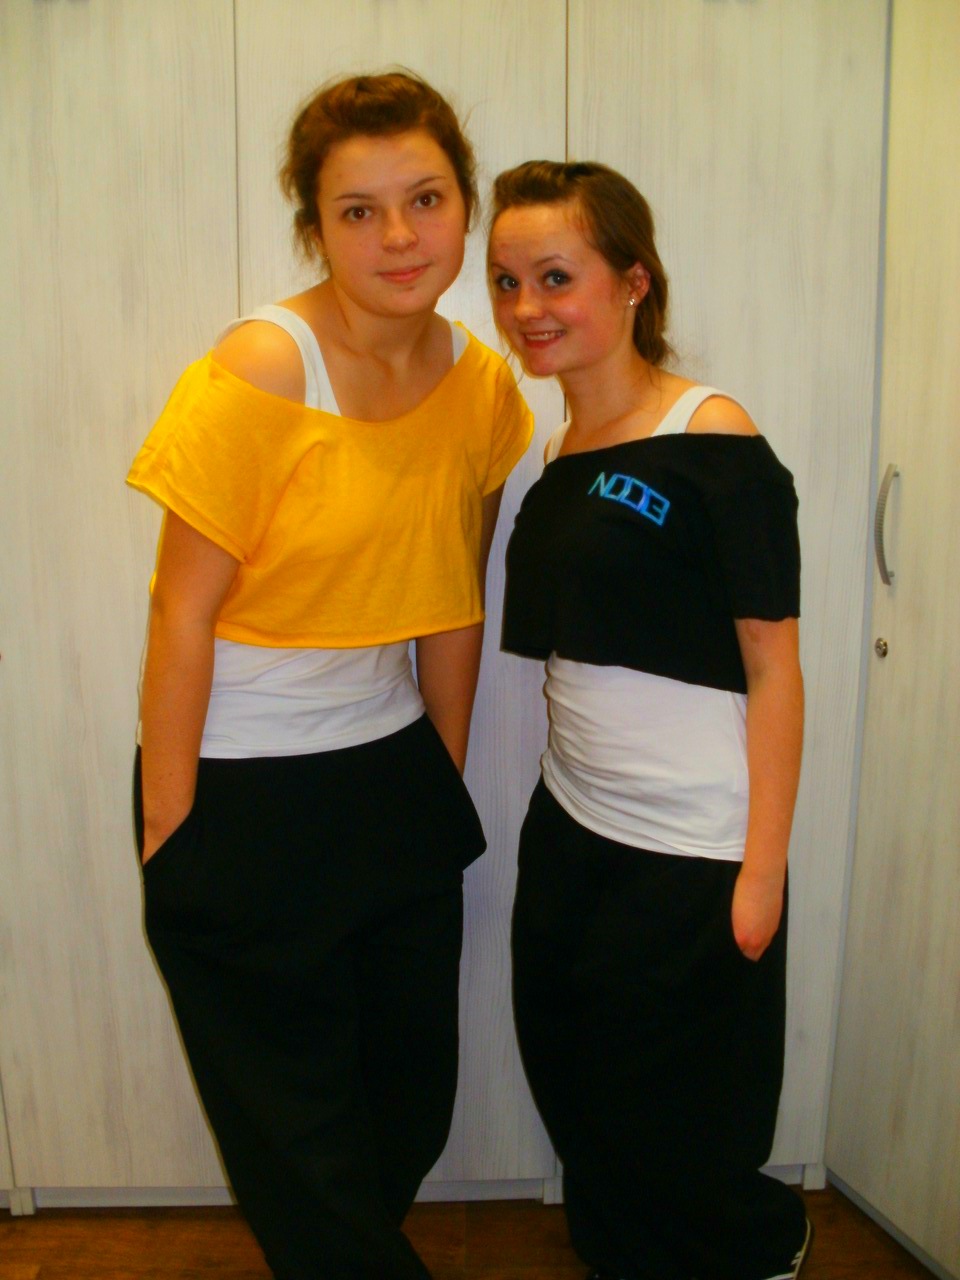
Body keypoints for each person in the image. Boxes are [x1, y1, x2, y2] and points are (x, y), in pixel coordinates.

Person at [127, 71, 532, 1280]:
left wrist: (440, 777)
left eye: (425, 199)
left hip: (390, 770)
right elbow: (180, 608)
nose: (399, 236)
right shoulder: (265, 365)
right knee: (300, 1141)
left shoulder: (482, 386)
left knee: (404, 1101)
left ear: (464, 207)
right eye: (360, 210)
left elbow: (453, 595)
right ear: (315, 226)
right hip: (241, 781)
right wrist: (172, 829)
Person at [487, 160, 811, 1280]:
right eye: (508, 281)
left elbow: (774, 664)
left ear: (633, 281)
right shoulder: (556, 451)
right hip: (574, 822)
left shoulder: (711, 432)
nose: (528, 307)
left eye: (557, 277)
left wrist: (761, 868)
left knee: (680, 1116)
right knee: (577, 1078)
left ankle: (757, 1252)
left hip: (690, 842)